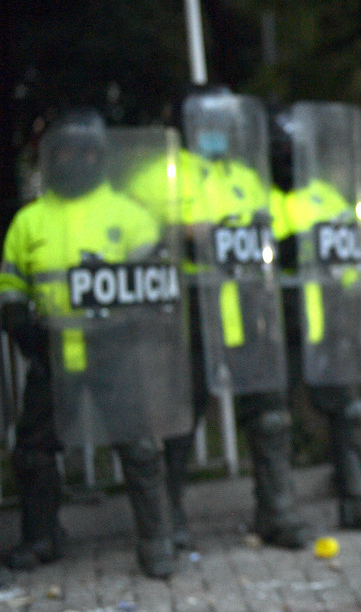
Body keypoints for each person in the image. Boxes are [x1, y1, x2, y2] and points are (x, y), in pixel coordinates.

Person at [126, 89, 312, 550]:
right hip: (186, 317)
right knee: (177, 421)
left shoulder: (245, 176)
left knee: (268, 415)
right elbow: (134, 239)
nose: (216, 134)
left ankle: (277, 512)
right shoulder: (159, 176)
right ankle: (167, 523)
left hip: (247, 312)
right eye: (207, 124)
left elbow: (276, 227)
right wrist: (180, 236)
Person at [0, 109, 180, 578]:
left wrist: (129, 328)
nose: (72, 159)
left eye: (83, 151)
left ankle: (157, 540)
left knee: (139, 448)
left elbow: (154, 288)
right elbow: (11, 287)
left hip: (113, 353)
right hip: (49, 356)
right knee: (34, 453)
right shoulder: (28, 221)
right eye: (62, 150)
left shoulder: (131, 216)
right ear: (48, 156)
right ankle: (41, 539)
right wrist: (20, 325)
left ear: (100, 156)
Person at [269, 102, 361, 531]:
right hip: (271, 327)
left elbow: (350, 256)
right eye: (282, 151)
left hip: (326, 324)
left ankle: (358, 499)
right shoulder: (253, 197)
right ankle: (277, 512)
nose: (289, 158)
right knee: (272, 421)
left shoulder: (324, 197)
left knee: (352, 411)